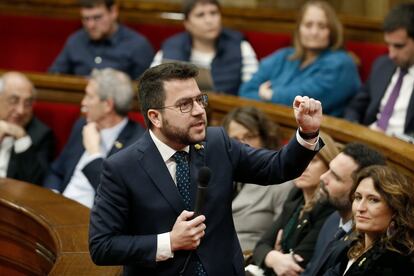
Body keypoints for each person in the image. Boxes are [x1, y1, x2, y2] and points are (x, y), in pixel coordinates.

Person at [89, 62, 324, 276]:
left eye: (199, 99)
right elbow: (102, 246)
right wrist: (169, 241)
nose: (199, 110)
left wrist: (307, 133)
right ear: (155, 117)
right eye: (184, 105)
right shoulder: (122, 167)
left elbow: (278, 167)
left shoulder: (217, 143)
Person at [43, 68, 145, 208]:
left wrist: (94, 154)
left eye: (89, 97)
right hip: (59, 207)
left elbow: (115, 196)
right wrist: (52, 195)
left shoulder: (137, 143)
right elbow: (57, 171)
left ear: (107, 105)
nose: (83, 103)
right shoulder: (82, 125)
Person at [239, 0, 360, 117]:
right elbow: (246, 91)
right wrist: (271, 98)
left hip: (315, 133)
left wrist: (270, 95)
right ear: (299, 29)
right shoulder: (284, 55)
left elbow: (304, 103)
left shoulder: (343, 64)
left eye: (322, 26)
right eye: (308, 25)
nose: (314, 32)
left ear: (332, 31)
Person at [250, 132, 338, 276]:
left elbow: (297, 266)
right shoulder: (295, 196)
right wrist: (274, 258)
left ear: (328, 166)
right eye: (300, 159)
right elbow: (261, 246)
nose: (304, 166)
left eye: (313, 160)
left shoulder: (329, 207)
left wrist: (273, 257)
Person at [301, 143, 386, 276]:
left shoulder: (363, 243)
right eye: (328, 169)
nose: (323, 177)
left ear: (358, 190)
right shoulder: (333, 219)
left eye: (336, 177)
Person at [222, 106, 294, 252]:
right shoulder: (219, 173)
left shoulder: (281, 182)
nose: (242, 144)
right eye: (234, 139)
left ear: (264, 138)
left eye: (249, 136)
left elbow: (282, 234)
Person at [151, 0, 258, 95]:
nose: (209, 20)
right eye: (200, 15)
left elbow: (251, 92)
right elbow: (151, 86)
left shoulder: (240, 46)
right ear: (187, 23)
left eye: (213, 13)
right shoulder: (171, 47)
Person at [323, 165, 414, 275]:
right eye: (358, 197)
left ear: (395, 208)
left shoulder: (396, 260)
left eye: (373, 200)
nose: (360, 208)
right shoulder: (352, 246)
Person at [344, 3, 414, 139]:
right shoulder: (382, 64)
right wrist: (354, 130)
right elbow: (354, 107)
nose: (391, 54)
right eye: (388, 45)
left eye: (399, 46)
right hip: (368, 140)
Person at [49, 0, 154, 79]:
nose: (90, 25)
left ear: (113, 12)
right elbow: (54, 76)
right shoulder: (75, 41)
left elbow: (147, 90)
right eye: (86, 19)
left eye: (97, 17)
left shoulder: (138, 45)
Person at [0, 72, 53, 186]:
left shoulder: (41, 134)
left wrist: (21, 137)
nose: (21, 110)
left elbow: (34, 183)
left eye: (28, 103)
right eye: (14, 100)